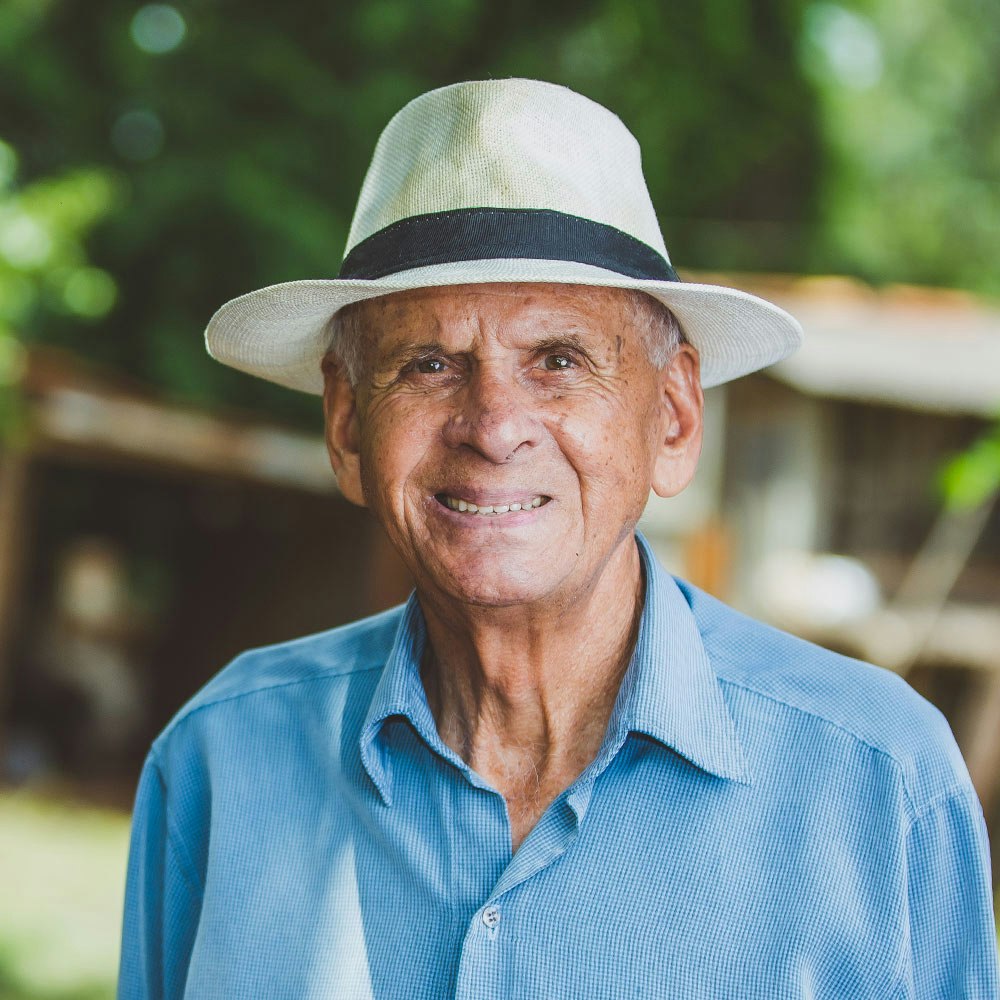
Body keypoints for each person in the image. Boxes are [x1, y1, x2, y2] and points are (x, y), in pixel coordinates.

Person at [117, 79, 998, 998]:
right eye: (429, 365)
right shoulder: (222, 758)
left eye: (560, 361)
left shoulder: (879, 783)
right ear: (346, 425)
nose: (494, 426)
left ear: (674, 416)